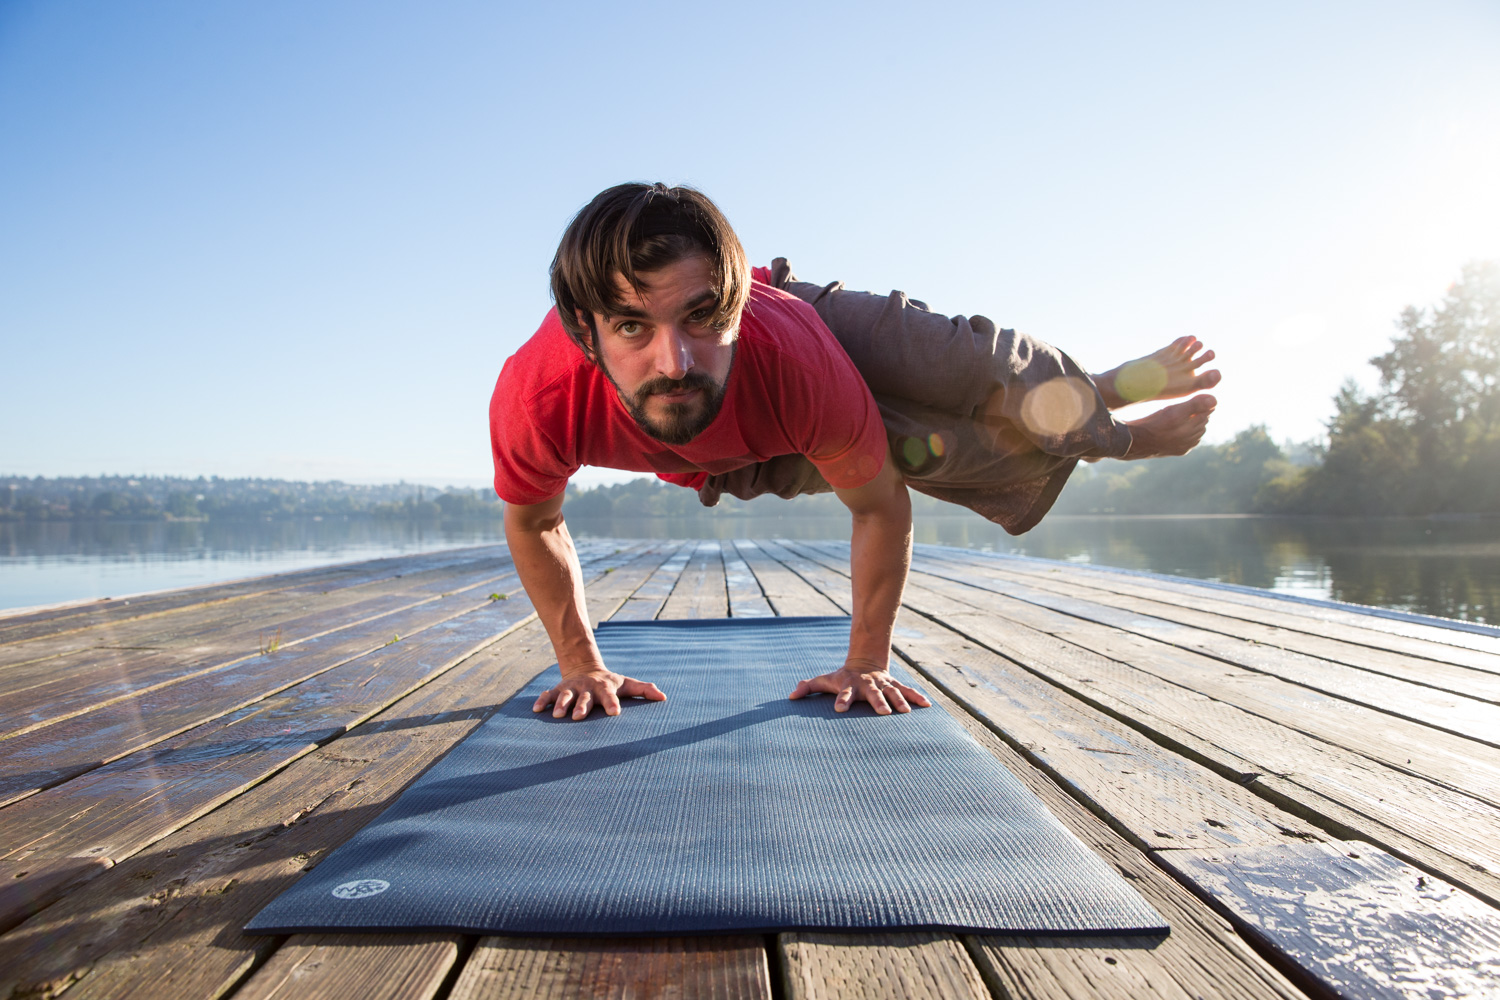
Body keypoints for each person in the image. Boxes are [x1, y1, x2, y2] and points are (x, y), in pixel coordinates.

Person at [490, 183, 1219, 722]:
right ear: (586, 330)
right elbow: (534, 522)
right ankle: (1096, 421)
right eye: (631, 327)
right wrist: (581, 663)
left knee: (973, 365)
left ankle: (1108, 411)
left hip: (811, 339)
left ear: (735, 303)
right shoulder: (539, 399)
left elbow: (875, 509)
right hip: (732, 454)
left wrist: (865, 661)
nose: (674, 361)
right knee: (933, 453)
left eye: (701, 316)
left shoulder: (795, 358)